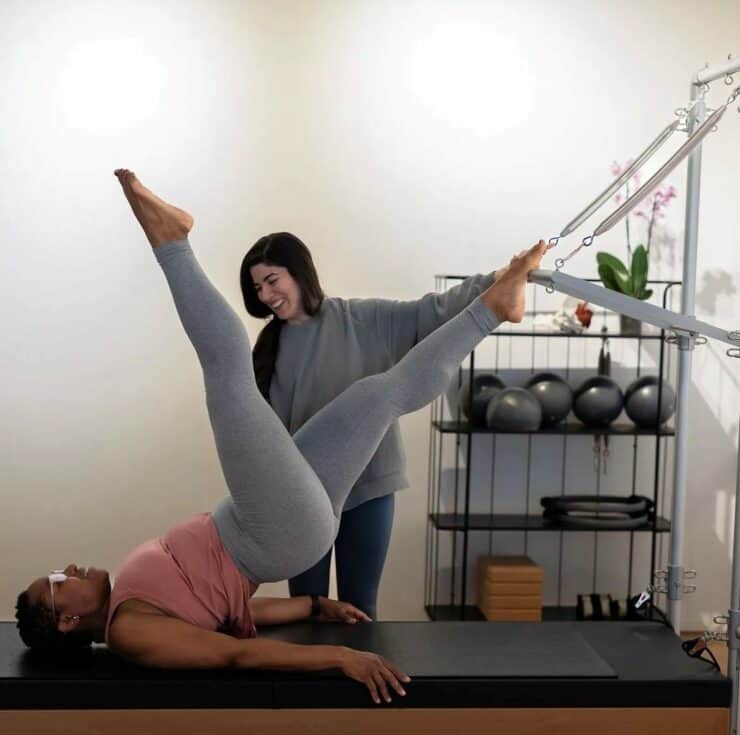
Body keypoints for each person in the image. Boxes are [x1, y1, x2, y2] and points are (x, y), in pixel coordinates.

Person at [15, 169, 549, 704]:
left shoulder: (130, 606)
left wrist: (314, 608)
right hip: (268, 532)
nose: (72, 568)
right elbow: (234, 653)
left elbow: (234, 616)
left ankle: (493, 309)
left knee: (377, 396)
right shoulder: (130, 632)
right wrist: (342, 657)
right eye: (60, 578)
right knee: (228, 375)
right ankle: (171, 243)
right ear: (66, 620)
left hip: (276, 523)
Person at [242, 234, 497, 618]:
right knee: (305, 608)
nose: (265, 295)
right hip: (304, 497)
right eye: (258, 287)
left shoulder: (363, 320)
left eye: (272, 280)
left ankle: (364, 676)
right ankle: (311, 678)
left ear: (299, 272)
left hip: (369, 487)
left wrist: (501, 277)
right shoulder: (266, 351)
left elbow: (437, 310)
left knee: (359, 609)